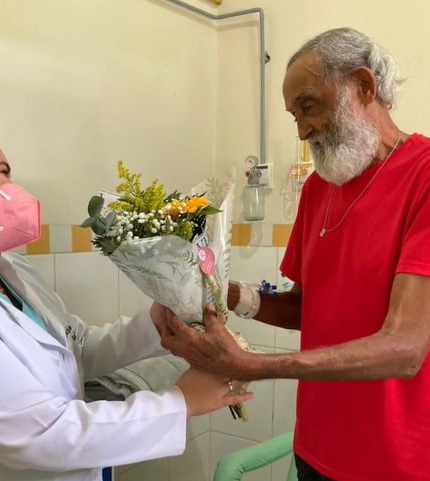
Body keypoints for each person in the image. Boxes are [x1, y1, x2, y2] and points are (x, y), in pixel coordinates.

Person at [0, 113, 252, 481]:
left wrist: (159, 321)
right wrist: (181, 401)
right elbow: (44, 434)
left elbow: (74, 347)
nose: (14, 190)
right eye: (2, 173)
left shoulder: (10, 271)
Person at [156, 27, 430, 481]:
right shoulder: (320, 188)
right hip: (315, 451)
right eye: (294, 116)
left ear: (363, 86)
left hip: (399, 464)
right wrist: (219, 292)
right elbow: (305, 308)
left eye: (309, 106)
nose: (302, 130)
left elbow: (406, 348)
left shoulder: (422, 176)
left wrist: (253, 366)